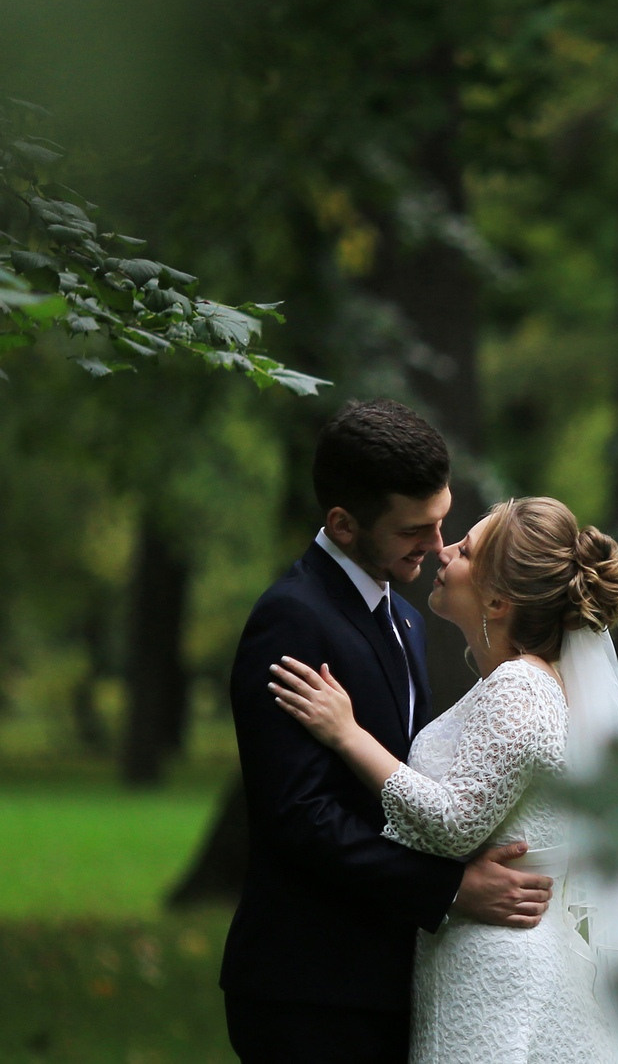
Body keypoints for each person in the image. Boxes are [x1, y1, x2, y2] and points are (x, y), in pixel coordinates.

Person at [269, 494, 618, 1064]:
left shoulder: (521, 686)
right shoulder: (514, 682)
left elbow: (453, 822)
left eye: (466, 550)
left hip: (494, 967)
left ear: (497, 599)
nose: (443, 552)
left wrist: (347, 734)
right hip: (482, 950)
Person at [221, 400, 556, 1064]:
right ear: (343, 524)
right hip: (310, 985)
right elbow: (299, 815)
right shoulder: (293, 618)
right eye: (414, 530)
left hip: (388, 974)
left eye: (441, 521)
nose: (437, 546)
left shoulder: (404, 619)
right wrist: (449, 889)